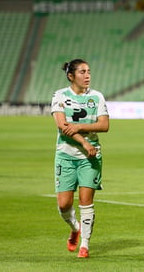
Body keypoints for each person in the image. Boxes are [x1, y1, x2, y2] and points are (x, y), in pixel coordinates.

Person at [51, 59, 109, 258]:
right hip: (66, 155)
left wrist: (79, 127)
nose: (87, 76)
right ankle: (75, 228)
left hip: (90, 157)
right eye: (82, 72)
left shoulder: (97, 97)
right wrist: (84, 142)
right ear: (71, 76)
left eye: (89, 71)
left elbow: (104, 125)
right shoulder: (59, 96)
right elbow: (61, 125)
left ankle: (84, 245)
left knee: (86, 201)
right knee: (64, 204)